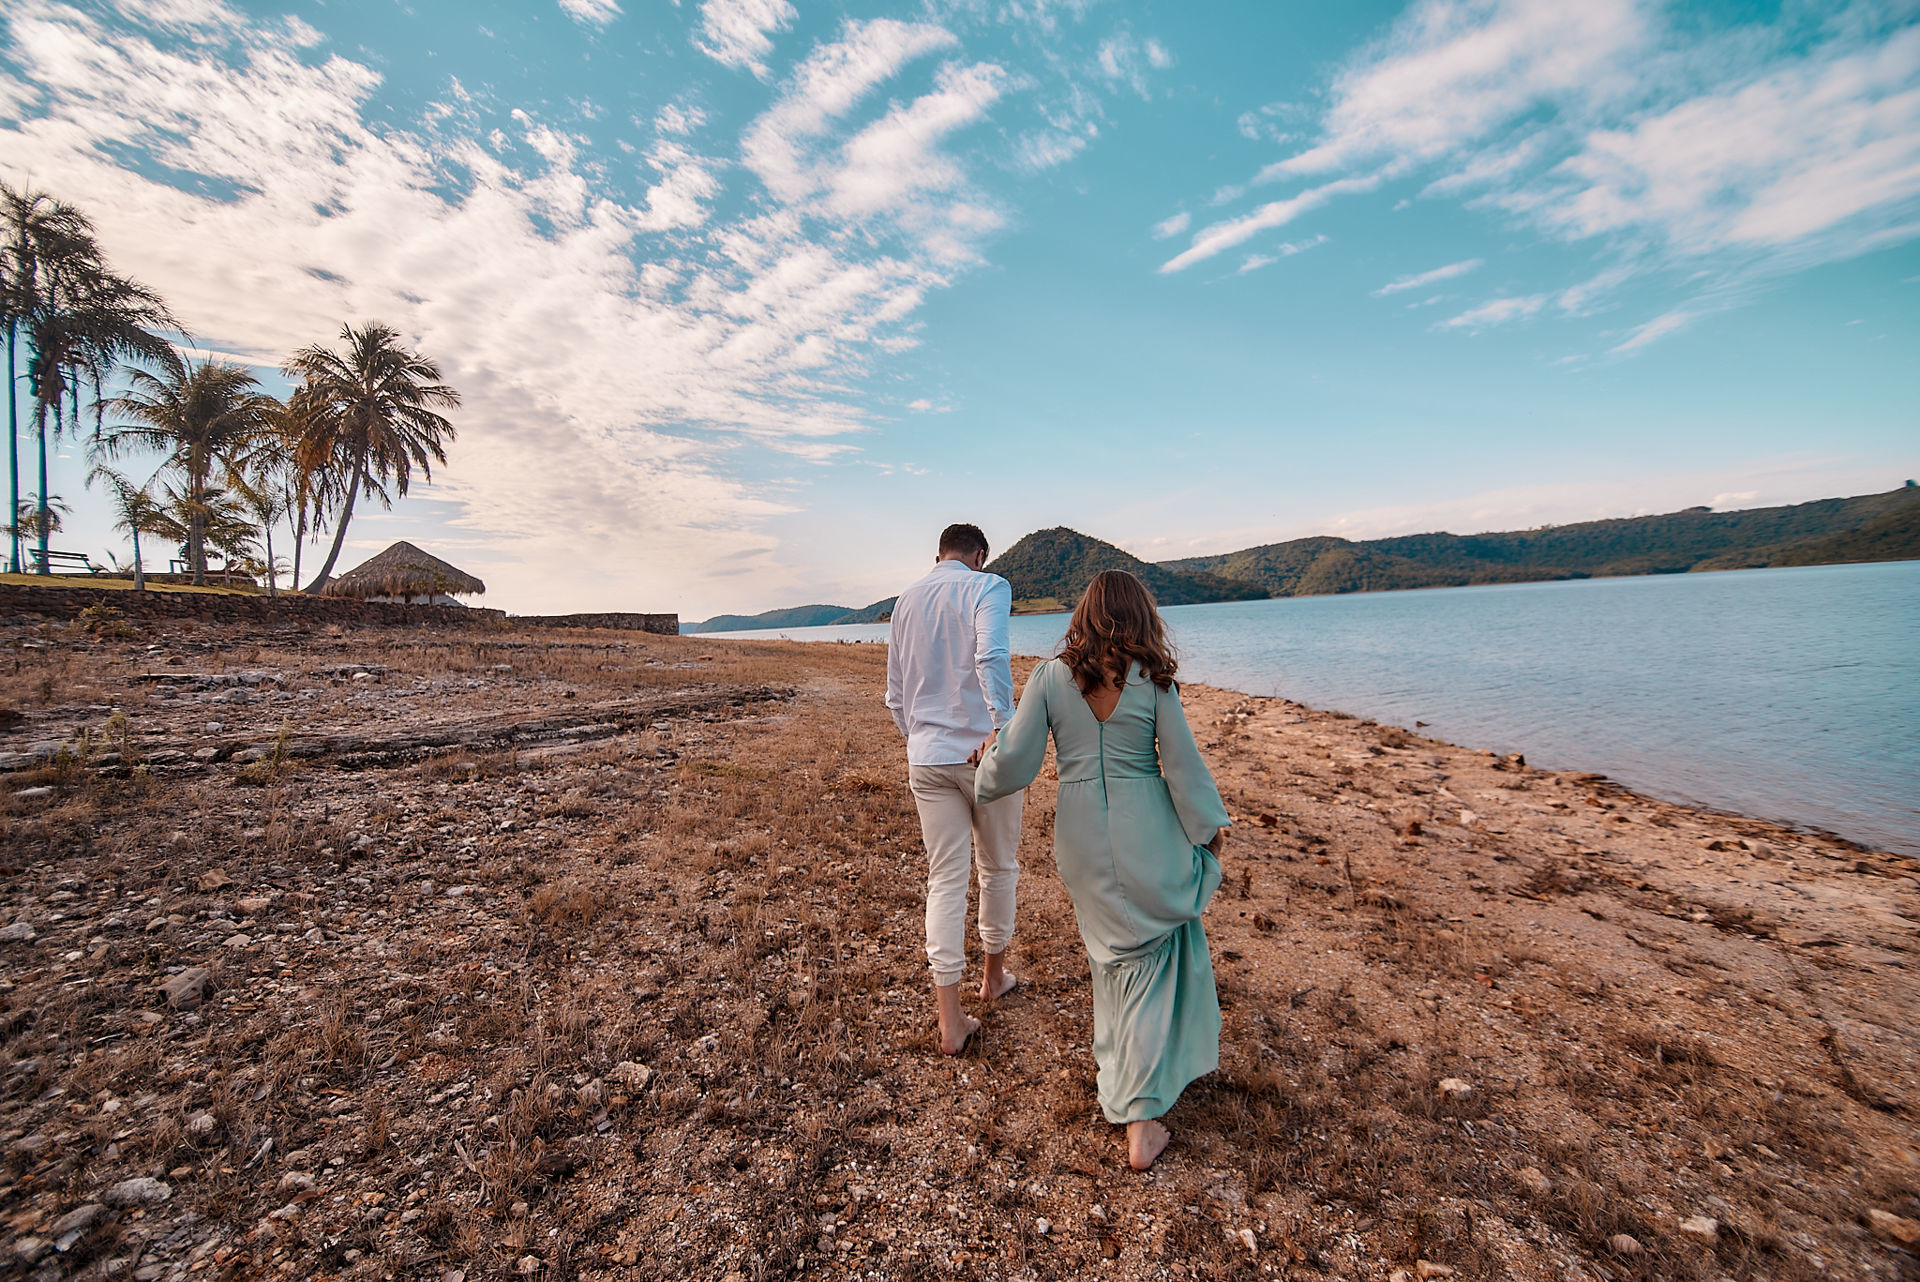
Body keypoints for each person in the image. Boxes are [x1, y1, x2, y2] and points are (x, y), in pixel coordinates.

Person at [976, 569, 1228, 1170]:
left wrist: (983, 769)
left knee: (1111, 956)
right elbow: (1185, 769)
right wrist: (1209, 833)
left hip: (1082, 833)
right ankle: (1141, 1117)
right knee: (1150, 949)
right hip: (1148, 827)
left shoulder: (1051, 677)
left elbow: (1014, 760)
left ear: (1083, 614)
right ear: (1142, 615)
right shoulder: (1153, 682)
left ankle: (1122, 1070)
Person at [885, 523, 1023, 1055]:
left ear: (937, 555)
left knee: (945, 879)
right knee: (997, 866)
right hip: (982, 755)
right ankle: (993, 978)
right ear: (980, 555)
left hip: (927, 758)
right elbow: (990, 657)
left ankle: (950, 1020)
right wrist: (1002, 726)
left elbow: (895, 694)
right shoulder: (987, 587)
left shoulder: (905, 601)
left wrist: (921, 739)